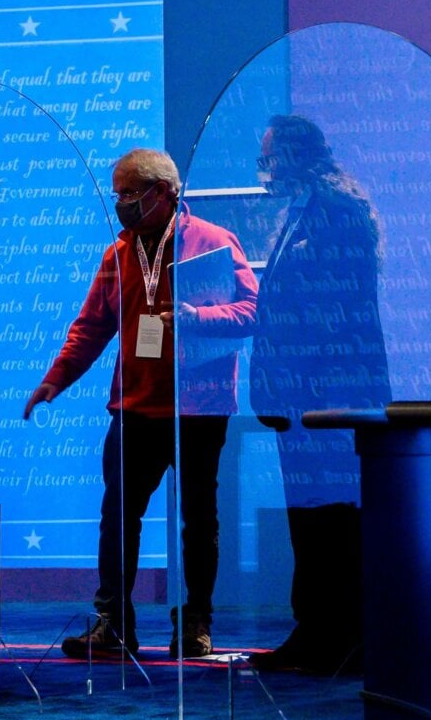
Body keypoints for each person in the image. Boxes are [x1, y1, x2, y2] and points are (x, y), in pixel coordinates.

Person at [24, 148, 258, 659]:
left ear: (166, 192)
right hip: (133, 408)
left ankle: (195, 623)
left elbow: (250, 311)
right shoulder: (118, 253)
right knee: (118, 516)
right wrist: (55, 380)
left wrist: (199, 316)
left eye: (131, 193)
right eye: (118, 194)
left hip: (198, 408)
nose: (121, 203)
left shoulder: (214, 243)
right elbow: (90, 327)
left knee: (199, 518)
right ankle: (113, 624)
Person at [248, 115, 391, 674]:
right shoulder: (303, 210)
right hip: (301, 395)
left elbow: (331, 314)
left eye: (269, 159)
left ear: (294, 156)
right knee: (313, 516)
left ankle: (337, 634)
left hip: (328, 395)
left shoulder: (336, 212)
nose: (264, 172)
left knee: (331, 515)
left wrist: (293, 383)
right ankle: (319, 629)